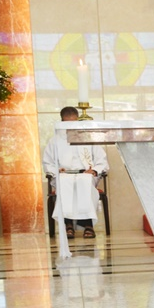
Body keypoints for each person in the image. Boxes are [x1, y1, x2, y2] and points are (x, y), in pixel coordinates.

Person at [42, 106, 108, 257]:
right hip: (64, 174)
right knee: (65, 183)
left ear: (78, 120)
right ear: (61, 122)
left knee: (84, 182)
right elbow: (47, 163)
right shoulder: (55, 141)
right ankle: (68, 225)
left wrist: (94, 170)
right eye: (67, 123)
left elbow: (101, 160)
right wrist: (56, 170)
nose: (71, 126)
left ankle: (87, 225)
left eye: (74, 122)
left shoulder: (87, 138)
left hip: (85, 174)